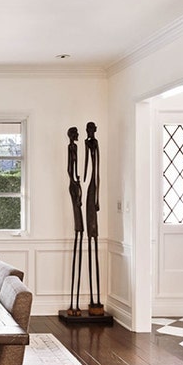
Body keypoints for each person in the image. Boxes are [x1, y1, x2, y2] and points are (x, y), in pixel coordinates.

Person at [84, 122, 102, 311]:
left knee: (93, 232)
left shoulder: (93, 144)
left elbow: (94, 172)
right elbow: (84, 171)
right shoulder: (85, 145)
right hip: (85, 188)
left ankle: (95, 300)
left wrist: (96, 197)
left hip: (91, 189)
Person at [66, 127, 84, 314]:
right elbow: (69, 169)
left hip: (77, 186)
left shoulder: (82, 146)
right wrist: (75, 182)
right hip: (75, 186)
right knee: (79, 227)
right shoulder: (72, 148)